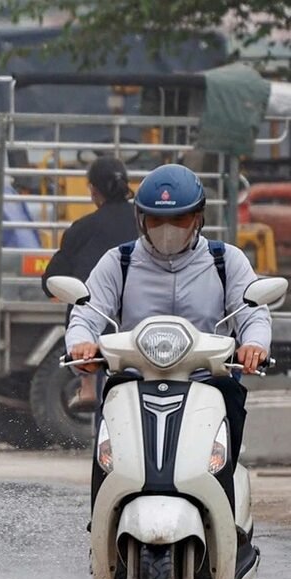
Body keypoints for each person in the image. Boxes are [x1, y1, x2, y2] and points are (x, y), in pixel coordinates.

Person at [66, 163, 271, 478]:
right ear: (141, 219)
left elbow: (252, 312)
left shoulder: (225, 260)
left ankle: (224, 496)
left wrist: (254, 345)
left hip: (207, 381)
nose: (167, 228)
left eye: (178, 218)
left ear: (198, 217)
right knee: (109, 458)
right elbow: (86, 312)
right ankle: (106, 503)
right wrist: (81, 344)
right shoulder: (119, 261)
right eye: (156, 219)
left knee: (227, 416)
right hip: (134, 380)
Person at [41, 157, 140, 410]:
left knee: (80, 299)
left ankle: (87, 383)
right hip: (147, 325)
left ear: (93, 190)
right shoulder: (146, 224)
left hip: (100, 332)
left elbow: (51, 280)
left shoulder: (83, 229)